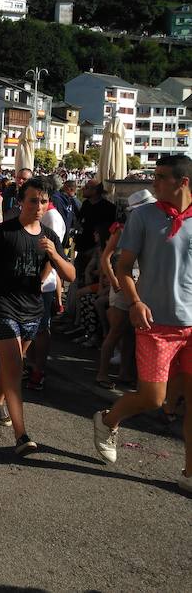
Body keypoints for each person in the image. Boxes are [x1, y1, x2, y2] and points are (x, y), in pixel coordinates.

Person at [93, 155, 192, 493]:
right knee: (153, 398)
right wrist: (135, 301)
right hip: (155, 324)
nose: (154, 183)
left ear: (183, 182)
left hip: (191, 326)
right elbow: (123, 267)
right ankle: (109, 420)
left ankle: (189, 474)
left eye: (161, 178)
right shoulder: (144, 216)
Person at [0, 178, 75, 455]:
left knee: (11, 365)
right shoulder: (4, 232)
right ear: (20, 202)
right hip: (1, 307)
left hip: (32, 310)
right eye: (32, 200)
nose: (38, 206)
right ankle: (21, 435)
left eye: (43, 201)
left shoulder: (49, 237)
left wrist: (54, 255)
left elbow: (70, 275)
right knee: (15, 367)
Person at [93, 190, 155, 389]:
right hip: (123, 282)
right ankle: (103, 374)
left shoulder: (144, 227)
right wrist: (114, 282)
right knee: (117, 331)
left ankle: (125, 373)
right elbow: (105, 258)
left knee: (129, 333)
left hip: (137, 281)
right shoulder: (121, 229)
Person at [25, 187, 67, 391]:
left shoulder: (52, 218)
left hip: (44, 285)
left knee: (41, 329)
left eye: (42, 200)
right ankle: (31, 365)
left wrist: (39, 280)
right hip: (31, 282)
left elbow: (52, 253)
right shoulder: (38, 213)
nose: (38, 204)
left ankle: (38, 370)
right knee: (30, 328)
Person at [75, 179, 116, 281]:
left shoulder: (108, 208)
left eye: (87, 187)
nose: (83, 189)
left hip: (96, 252)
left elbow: (110, 232)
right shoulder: (85, 204)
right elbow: (80, 221)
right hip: (82, 249)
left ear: (95, 191)